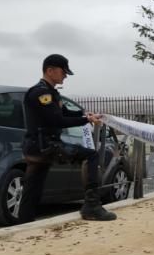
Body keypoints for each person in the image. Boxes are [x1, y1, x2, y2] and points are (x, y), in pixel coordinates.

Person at [19, 54, 117, 223]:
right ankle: (92, 206)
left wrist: (84, 114)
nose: (65, 75)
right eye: (63, 72)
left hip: (39, 146)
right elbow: (57, 120)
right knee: (91, 155)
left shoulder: (49, 92)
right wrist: (86, 120)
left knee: (33, 186)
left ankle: (24, 221)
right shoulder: (41, 93)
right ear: (50, 71)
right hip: (45, 146)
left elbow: (63, 113)